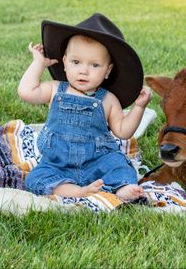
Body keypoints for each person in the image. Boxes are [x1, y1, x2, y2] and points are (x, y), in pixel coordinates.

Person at [18, 13, 151, 201]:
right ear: (64, 62)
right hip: (58, 164)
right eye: (76, 62)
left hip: (97, 162)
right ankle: (76, 191)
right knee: (35, 179)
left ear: (108, 71)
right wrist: (38, 63)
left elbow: (123, 132)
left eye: (95, 65)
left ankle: (121, 189)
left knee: (119, 165)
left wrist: (139, 107)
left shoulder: (108, 99)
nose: (83, 70)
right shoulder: (55, 89)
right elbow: (26, 91)